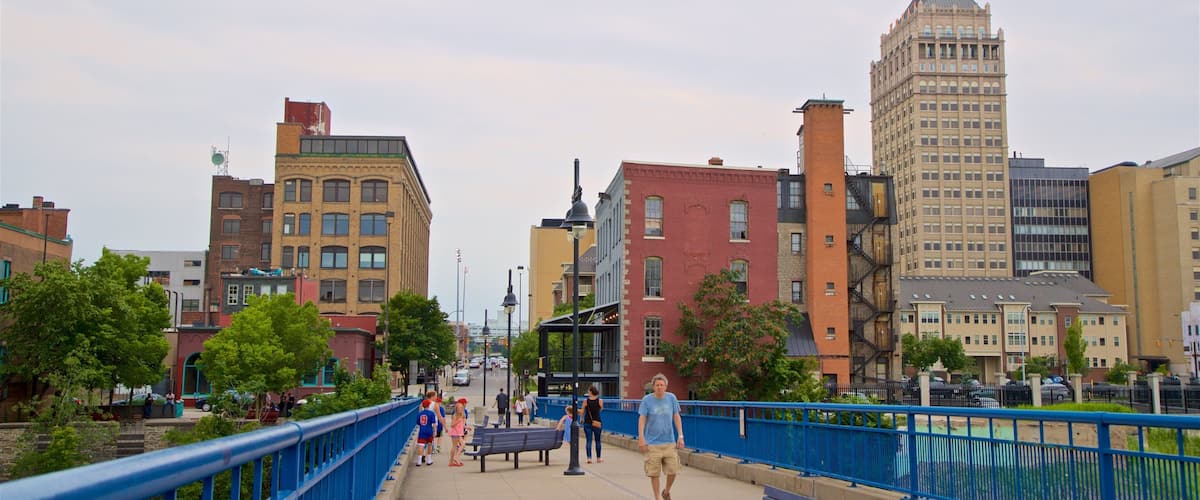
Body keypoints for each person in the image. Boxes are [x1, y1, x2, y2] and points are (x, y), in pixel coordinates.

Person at [638, 373, 684, 500]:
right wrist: (641, 437)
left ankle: (666, 491)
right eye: (657, 385)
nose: (659, 387)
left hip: (669, 441)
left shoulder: (671, 398)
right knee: (654, 473)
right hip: (652, 443)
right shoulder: (647, 400)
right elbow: (642, 419)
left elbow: (676, 416)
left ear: (666, 386)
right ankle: (657, 497)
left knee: (673, 470)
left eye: (662, 385)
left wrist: (680, 436)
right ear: (653, 387)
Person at [414, 399, 444, 467]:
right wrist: (435, 431)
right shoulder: (431, 413)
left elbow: (418, 423)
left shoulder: (420, 413)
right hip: (429, 431)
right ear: (429, 405)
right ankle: (429, 460)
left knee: (421, 445)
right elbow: (434, 424)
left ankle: (419, 461)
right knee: (429, 444)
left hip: (422, 431)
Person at [583, 386, 604, 463]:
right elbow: (601, 409)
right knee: (598, 441)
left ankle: (589, 458)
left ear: (591, 392)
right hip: (597, 422)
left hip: (587, 422)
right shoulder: (600, 401)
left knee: (588, 441)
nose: (588, 392)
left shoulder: (586, 401)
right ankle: (598, 458)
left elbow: (582, 411)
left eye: (589, 391)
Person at [447, 398, 468, 467]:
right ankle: (455, 457)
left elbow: (462, 425)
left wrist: (466, 427)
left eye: (461, 408)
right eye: (459, 408)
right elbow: (452, 425)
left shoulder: (462, 415)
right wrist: (459, 420)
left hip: (458, 432)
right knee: (458, 445)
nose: (461, 409)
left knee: (460, 445)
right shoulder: (455, 415)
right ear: (456, 408)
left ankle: (452, 461)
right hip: (455, 433)